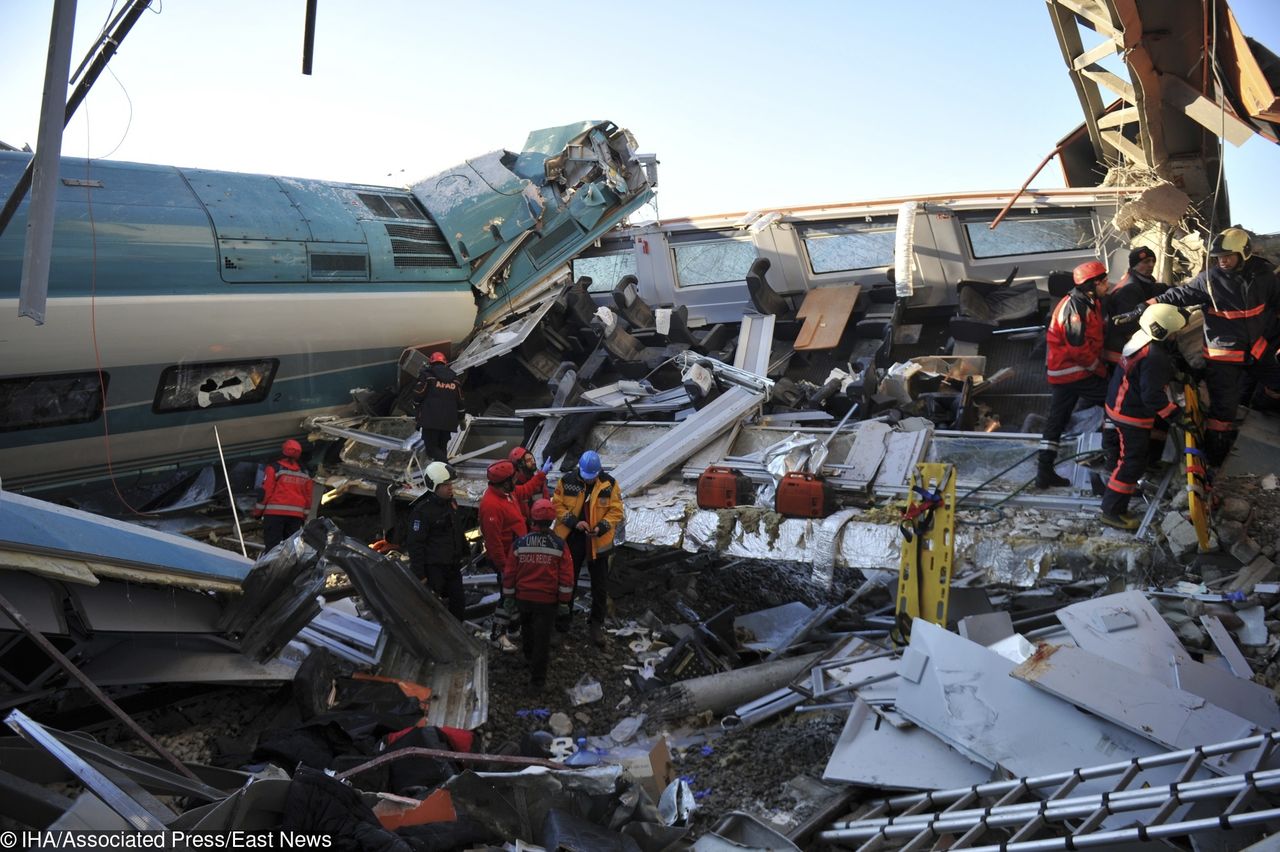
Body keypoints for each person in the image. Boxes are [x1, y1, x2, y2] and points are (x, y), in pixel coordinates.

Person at [1147, 228, 1280, 467]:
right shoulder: (1208, 279)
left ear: (1244, 253)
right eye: (1218, 257)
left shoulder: (1264, 275)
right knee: (1223, 412)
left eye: (1228, 255)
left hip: (1257, 351)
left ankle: (1262, 406)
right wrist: (1147, 305)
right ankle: (1214, 458)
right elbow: (1181, 294)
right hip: (1223, 359)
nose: (1222, 261)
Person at [1100, 305, 1187, 530]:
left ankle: (1122, 489)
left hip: (1121, 404)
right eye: (1174, 331)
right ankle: (1112, 512)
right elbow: (1152, 397)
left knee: (1132, 459)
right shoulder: (1154, 356)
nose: (1177, 335)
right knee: (1131, 463)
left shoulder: (1142, 338)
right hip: (1130, 414)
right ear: (1163, 331)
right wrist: (1175, 415)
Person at [1036, 260, 1111, 488]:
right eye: (1104, 281)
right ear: (1092, 284)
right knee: (1116, 402)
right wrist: (1102, 370)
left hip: (1066, 373)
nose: (1108, 284)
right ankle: (1111, 457)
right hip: (1074, 372)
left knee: (1056, 421)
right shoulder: (1075, 310)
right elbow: (1078, 350)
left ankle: (1044, 471)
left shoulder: (1088, 301)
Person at [552, 450, 625, 648]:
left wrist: (601, 527)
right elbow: (557, 505)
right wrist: (575, 523)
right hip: (573, 538)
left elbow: (616, 510)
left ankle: (596, 626)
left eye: (592, 478)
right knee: (567, 584)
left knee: (599, 587)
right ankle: (561, 626)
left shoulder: (609, 484)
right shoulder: (567, 481)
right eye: (586, 477)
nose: (590, 481)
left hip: (598, 541)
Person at [502, 499, 575, 691]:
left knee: (527, 630)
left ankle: (528, 658)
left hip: (524, 599)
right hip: (547, 601)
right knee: (542, 639)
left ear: (532, 518)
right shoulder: (559, 545)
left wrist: (509, 597)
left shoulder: (519, 543)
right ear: (552, 521)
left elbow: (509, 573)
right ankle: (538, 680)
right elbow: (567, 577)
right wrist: (564, 602)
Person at [404, 461, 467, 620]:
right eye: (446, 484)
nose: (450, 487)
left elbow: (457, 530)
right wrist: (420, 575)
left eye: (450, 483)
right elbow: (415, 545)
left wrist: (465, 552)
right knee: (432, 609)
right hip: (434, 570)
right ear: (434, 486)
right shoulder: (422, 512)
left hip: (452, 566)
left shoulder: (451, 503)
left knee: (458, 604)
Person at [478, 459, 552, 586]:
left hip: (516, 554)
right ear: (505, 482)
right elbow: (494, 543)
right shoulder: (491, 506)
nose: (515, 481)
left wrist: (542, 474)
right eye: (513, 479)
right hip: (508, 559)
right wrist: (506, 567)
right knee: (509, 593)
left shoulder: (507, 492)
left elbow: (525, 490)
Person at [253, 439, 314, 551]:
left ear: (283, 451)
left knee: (272, 548)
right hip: (295, 517)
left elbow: (265, 492)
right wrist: (304, 516)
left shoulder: (273, 468)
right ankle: (287, 568)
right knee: (290, 550)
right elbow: (308, 498)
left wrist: (257, 513)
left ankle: (271, 567)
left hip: (274, 515)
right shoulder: (305, 473)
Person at [411, 351, 463, 461]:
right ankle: (442, 474)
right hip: (448, 420)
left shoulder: (428, 376)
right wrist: (461, 417)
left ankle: (446, 468)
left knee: (431, 449)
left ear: (431, 363)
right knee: (442, 447)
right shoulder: (455, 379)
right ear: (445, 363)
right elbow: (460, 400)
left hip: (431, 419)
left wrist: (416, 406)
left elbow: (418, 394)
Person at [509, 446, 551, 522]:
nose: (533, 462)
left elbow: (545, 496)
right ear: (520, 465)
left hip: (539, 520)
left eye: (532, 458)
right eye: (528, 460)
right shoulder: (514, 484)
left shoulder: (537, 476)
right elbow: (526, 490)